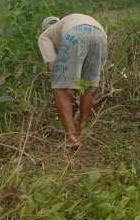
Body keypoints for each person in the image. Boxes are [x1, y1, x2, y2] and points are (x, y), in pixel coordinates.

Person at [38, 14, 108, 149]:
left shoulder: (45, 35)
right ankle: (81, 133)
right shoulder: (65, 23)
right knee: (86, 87)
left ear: (44, 29)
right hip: (100, 34)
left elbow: (52, 62)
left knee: (58, 89)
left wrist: (64, 86)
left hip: (75, 35)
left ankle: (71, 138)